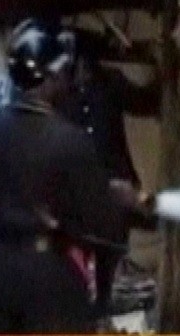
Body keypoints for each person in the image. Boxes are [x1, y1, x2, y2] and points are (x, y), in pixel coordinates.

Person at [0, 19, 123, 334]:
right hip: (49, 276)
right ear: (51, 78)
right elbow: (97, 219)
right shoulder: (70, 140)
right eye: (63, 75)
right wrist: (116, 198)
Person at [56, 28, 160, 319]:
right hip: (74, 192)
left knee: (108, 257)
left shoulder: (110, 83)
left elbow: (146, 102)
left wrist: (159, 64)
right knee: (73, 262)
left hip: (114, 188)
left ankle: (100, 312)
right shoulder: (58, 92)